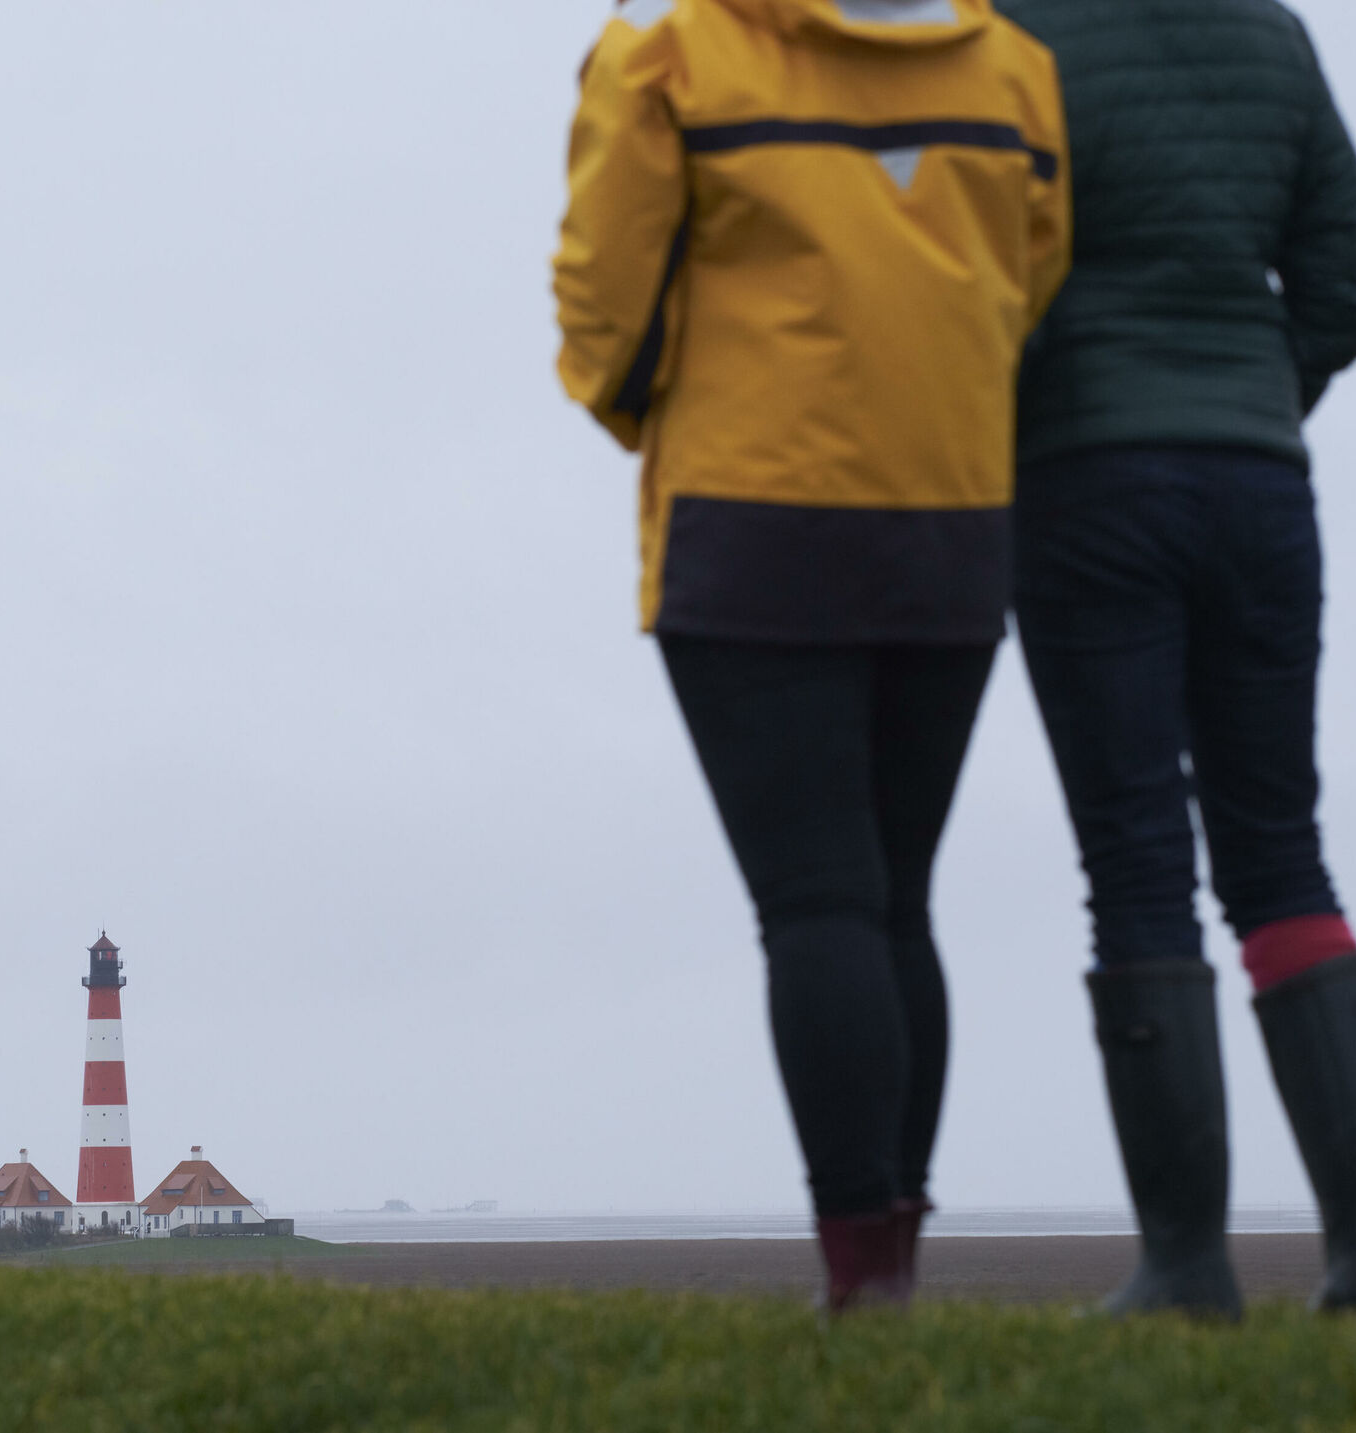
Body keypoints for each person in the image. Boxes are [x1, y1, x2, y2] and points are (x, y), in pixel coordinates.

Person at [553, 0, 1068, 1310]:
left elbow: (604, 291)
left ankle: (859, 1280)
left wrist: (634, 408)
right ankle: (891, 1256)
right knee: (897, 896)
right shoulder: (1010, 67)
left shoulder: (665, 52)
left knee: (817, 903)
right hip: (950, 520)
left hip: (749, 521)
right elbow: (1033, 271)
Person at [997, 0, 1356, 1315]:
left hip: (1088, 481)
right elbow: (1352, 275)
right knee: (1280, 845)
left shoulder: (1010, 36)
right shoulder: (1270, 33)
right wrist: (1248, 385)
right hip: (1258, 484)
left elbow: (990, 281)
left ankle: (1184, 1262)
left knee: (1134, 854)